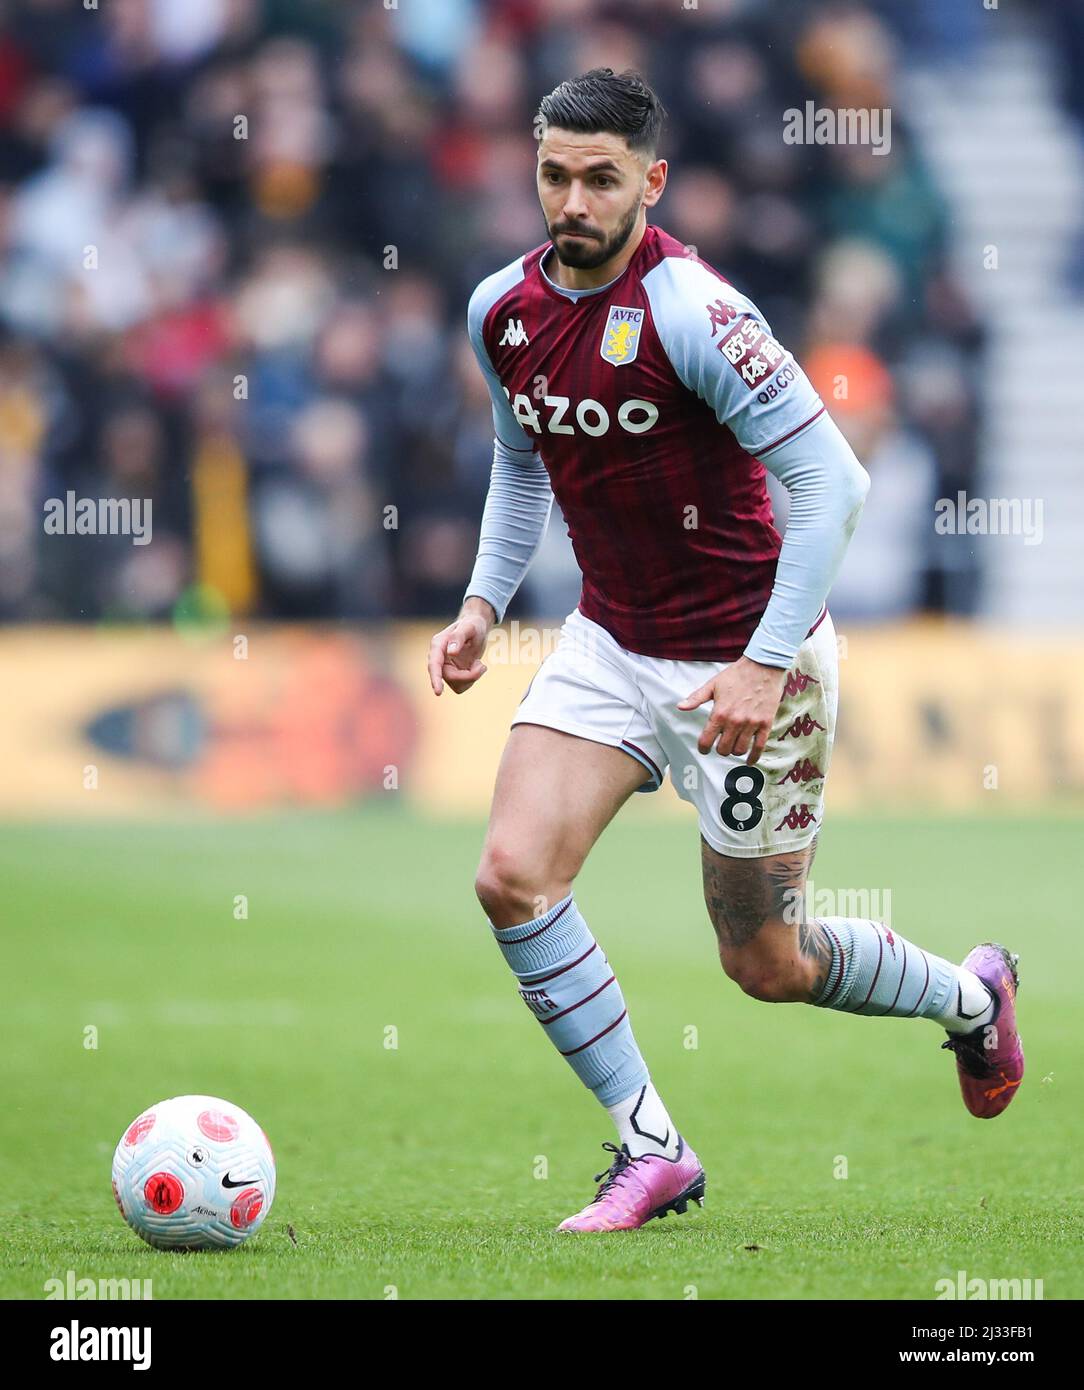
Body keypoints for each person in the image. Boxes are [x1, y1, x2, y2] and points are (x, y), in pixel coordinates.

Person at [428, 69, 1023, 1234]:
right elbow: (519, 461)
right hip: (610, 641)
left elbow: (834, 484)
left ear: (651, 182)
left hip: (750, 661)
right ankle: (651, 1146)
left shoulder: (696, 311)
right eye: (554, 175)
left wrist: (762, 662)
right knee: (510, 875)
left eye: (601, 179)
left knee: (765, 962)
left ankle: (970, 997)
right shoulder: (501, 310)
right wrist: (483, 603)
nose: (573, 202)